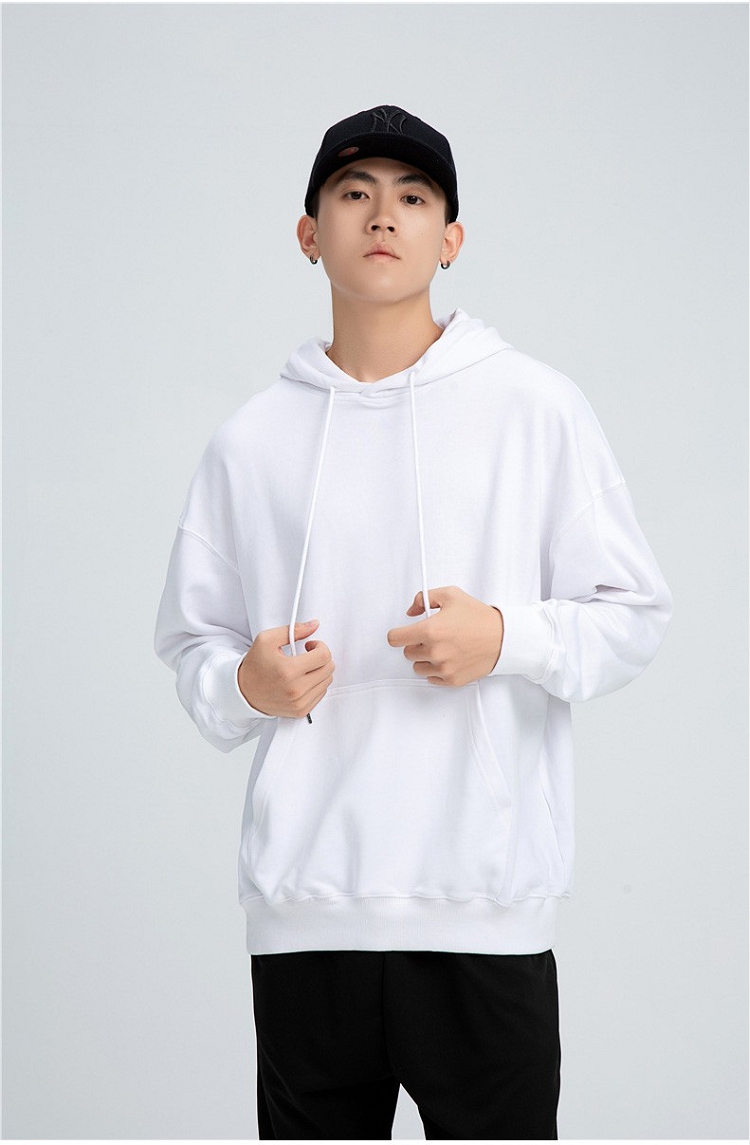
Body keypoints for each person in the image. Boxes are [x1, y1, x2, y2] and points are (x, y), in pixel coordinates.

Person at [154, 105, 672, 1140]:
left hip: (484, 911)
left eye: (413, 196)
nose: (382, 215)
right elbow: (192, 642)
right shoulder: (250, 441)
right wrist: (246, 684)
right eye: (354, 193)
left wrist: (507, 637)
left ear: (452, 237)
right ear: (310, 233)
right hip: (306, 916)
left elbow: (633, 613)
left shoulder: (536, 408)